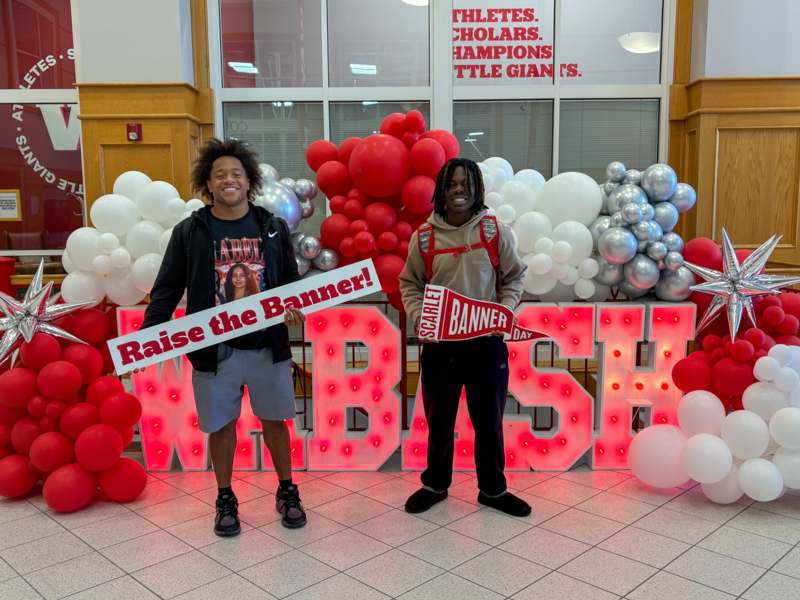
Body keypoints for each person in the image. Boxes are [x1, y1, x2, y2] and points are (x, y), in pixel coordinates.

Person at [141, 138, 307, 536]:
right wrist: (147, 339)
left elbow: (287, 283)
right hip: (215, 350)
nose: (228, 180)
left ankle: (286, 489)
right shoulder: (190, 231)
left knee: (275, 421)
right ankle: (225, 496)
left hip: (268, 348)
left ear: (248, 180)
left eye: (236, 173)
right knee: (221, 426)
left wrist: (294, 309)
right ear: (208, 185)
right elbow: (167, 288)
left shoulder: (271, 227)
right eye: (220, 175)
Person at [398, 157, 532, 517]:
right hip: (440, 346)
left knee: (488, 420)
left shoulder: (494, 230)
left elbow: (516, 275)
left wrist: (504, 310)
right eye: (452, 184)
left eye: (466, 184)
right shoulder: (423, 237)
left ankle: (492, 489)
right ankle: (435, 484)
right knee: (439, 420)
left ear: (477, 190)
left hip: (485, 344)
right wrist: (419, 315)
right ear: (441, 191)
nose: (459, 190)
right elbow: (408, 283)